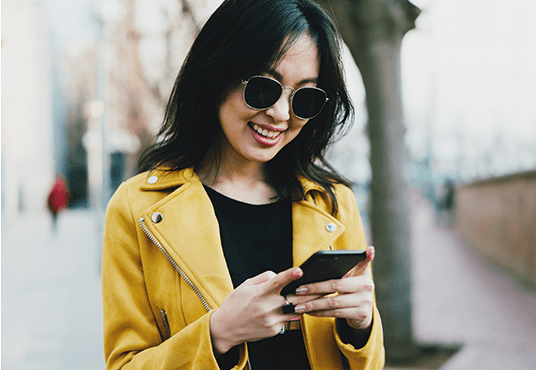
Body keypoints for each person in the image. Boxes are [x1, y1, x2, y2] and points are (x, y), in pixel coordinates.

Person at [100, 0, 384, 369]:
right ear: (216, 72)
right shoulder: (137, 209)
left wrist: (361, 326)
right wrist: (219, 334)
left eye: (305, 97)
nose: (281, 114)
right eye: (265, 88)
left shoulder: (334, 204)